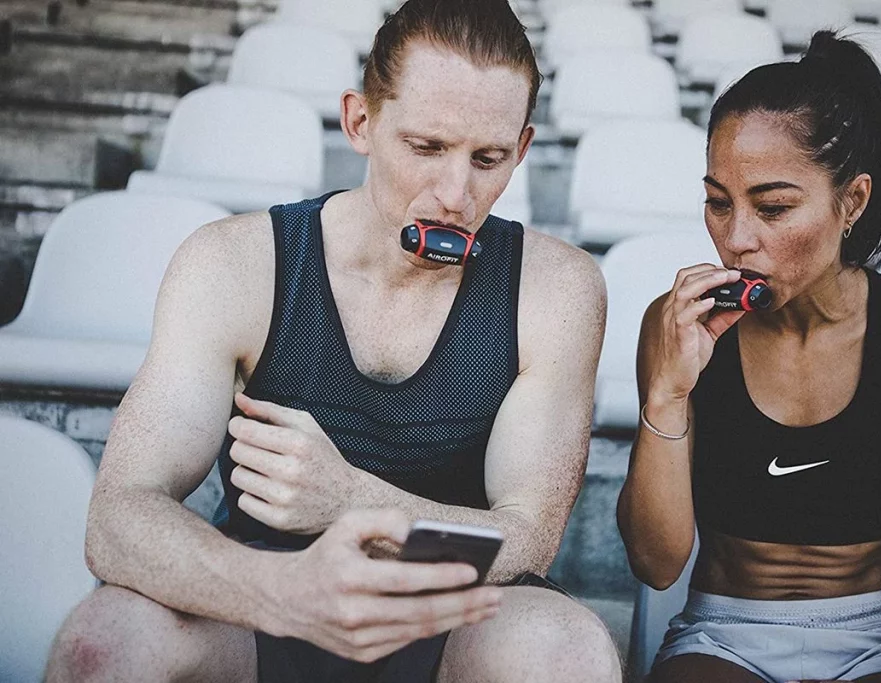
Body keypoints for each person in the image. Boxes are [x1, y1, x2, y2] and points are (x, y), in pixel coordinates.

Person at [45, 1, 621, 681]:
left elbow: (527, 540)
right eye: (426, 147)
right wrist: (285, 592)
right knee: (103, 641)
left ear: (521, 150)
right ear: (360, 122)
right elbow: (118, 518)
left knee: (569, 651)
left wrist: (351, 499)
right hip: (262, 603)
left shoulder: (557, 290)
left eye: (488, 159)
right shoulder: (234, 264)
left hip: (451, 617)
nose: (456, 193)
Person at [618, 31, 881, 683]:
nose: (736, 238)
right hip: (725, 631)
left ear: (852, 201)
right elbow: (656, 564)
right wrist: (667, 394)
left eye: (774, 207)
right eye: (718, 202)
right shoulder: (678, 327)